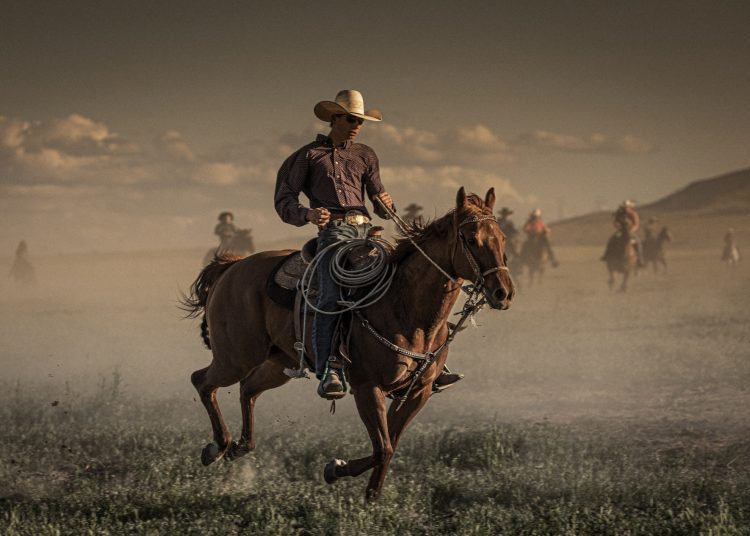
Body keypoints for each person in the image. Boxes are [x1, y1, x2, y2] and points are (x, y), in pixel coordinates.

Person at [274, 89, 463, 399]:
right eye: (351, 119)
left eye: (360, 121)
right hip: (333, 234)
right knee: (330, 298)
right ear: (334, 118)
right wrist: (307, 213)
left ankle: (430, 362)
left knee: (408, 283)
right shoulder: (307, 156)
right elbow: (284, 200)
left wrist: (384, 202)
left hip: (367, 233)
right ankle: (329, 370)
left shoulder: (366, 154)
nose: (357, 126)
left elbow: (377, 197)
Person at [602, 200, 643, 265]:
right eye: (625, 207)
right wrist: (618, 227)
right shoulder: (619, 213)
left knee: (638, 241)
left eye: (627, 207)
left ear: (630, 207)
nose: (626, 208)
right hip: (621, 231)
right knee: (612, 239)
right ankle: (607, 255)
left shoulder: (633, 214)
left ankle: (640, 259)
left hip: (630, 231)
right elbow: (615, 222)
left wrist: (632, 230)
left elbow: (636, 224)